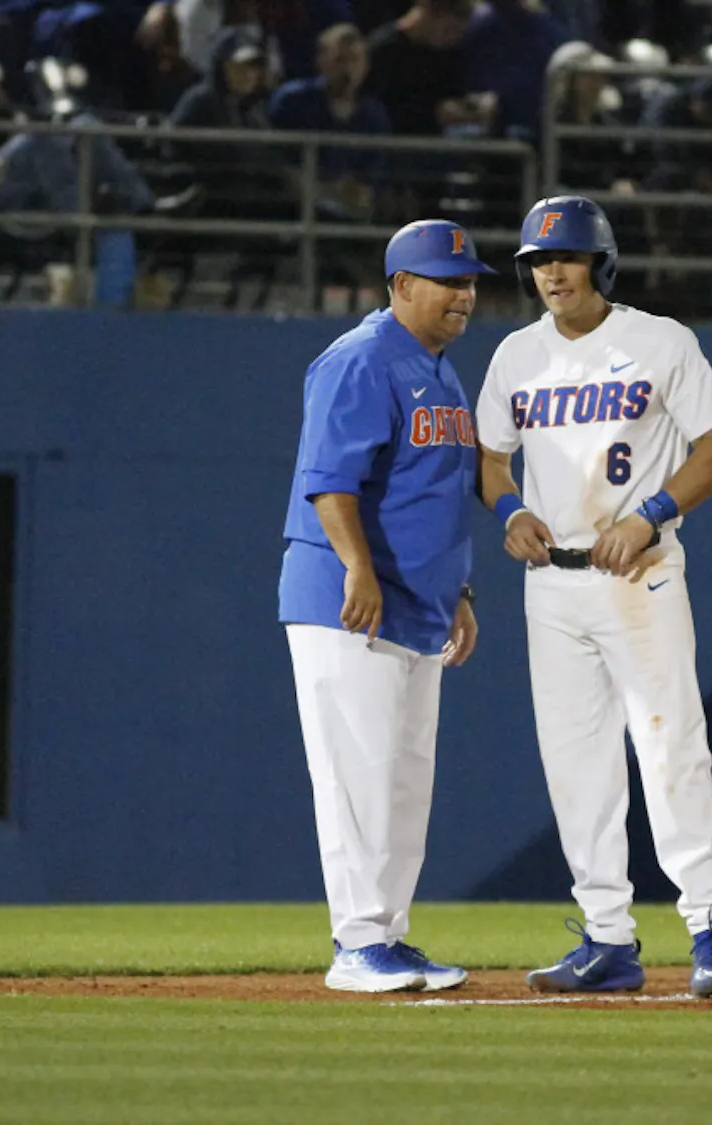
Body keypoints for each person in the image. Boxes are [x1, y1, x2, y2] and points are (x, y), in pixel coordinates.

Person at [473, 195, 712, 998]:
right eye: (537, 261)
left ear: (600, 262)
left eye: (565, 257)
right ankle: (607, 938)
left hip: (639, 576)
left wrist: (658, 511)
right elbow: (491, 462)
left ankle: (711, 928)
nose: (551, 272)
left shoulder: (658, 340)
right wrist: (509, 508)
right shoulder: (516, 358)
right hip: (551, 585)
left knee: (670, 749)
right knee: (576, 766)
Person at [279, 218, 493, 993]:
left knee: (404, 781)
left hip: (420, 604)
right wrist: (357, 568)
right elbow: (329, 480)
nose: (464, 294)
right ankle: (357, 942)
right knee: (356, 776)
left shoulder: (442, 369)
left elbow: (437, 494)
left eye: (469, 281)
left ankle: (388, 937)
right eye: (448, 279)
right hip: (350, 600)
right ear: (401, 285)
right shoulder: (361, 359)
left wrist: (460, 590)